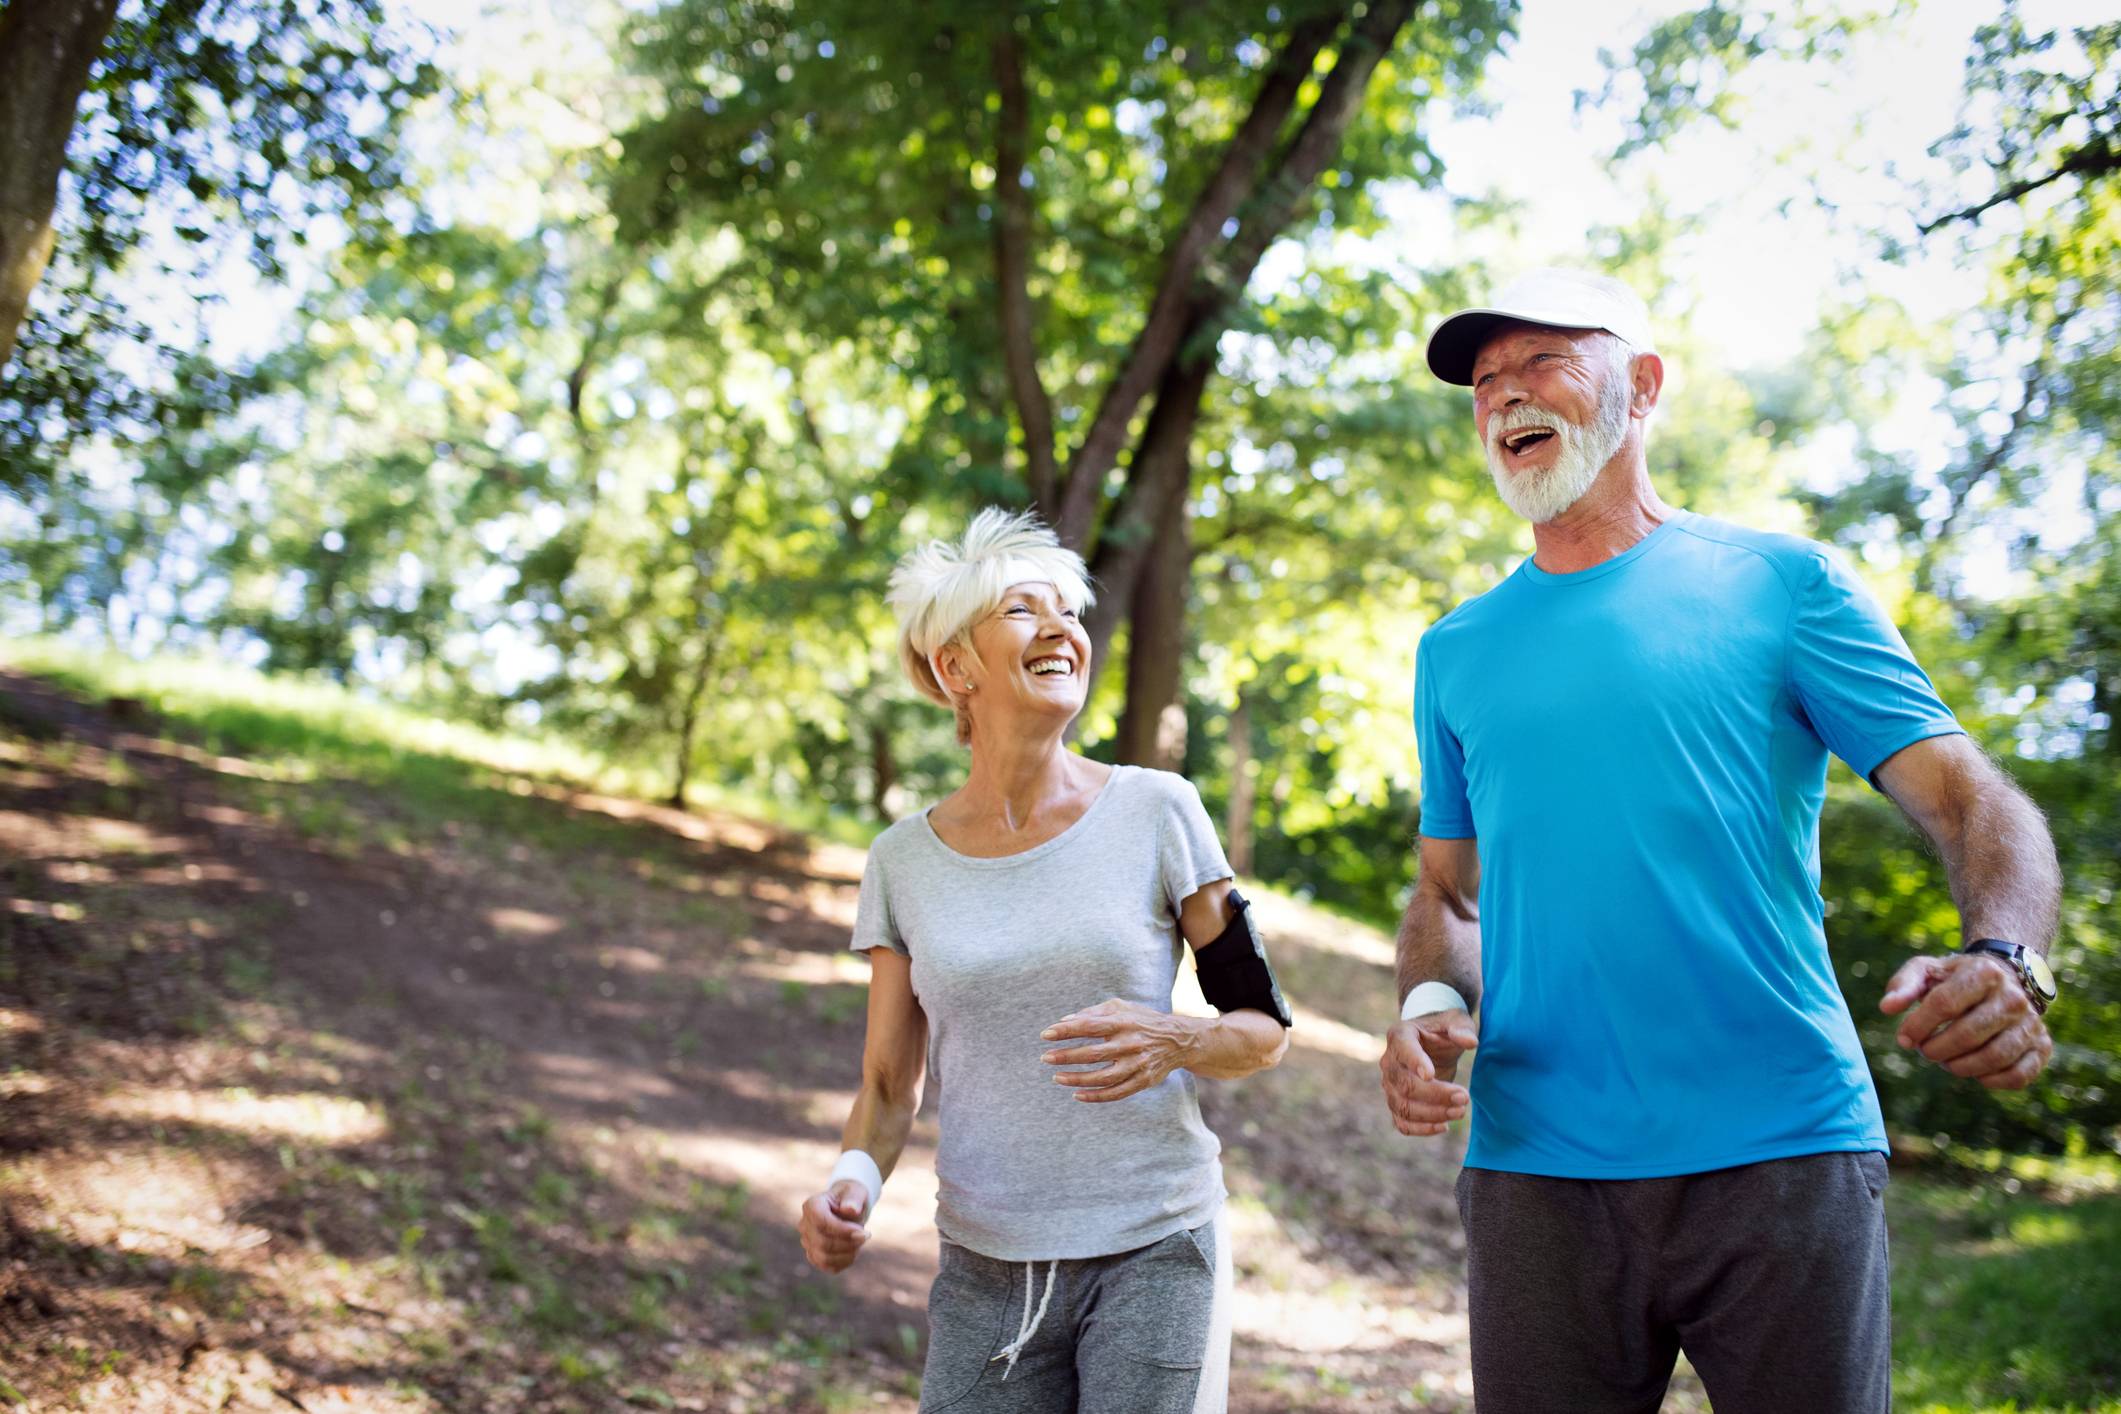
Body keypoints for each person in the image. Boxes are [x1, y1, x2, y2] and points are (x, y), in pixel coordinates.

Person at [1379, 268, 2063, 1413]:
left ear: (1642, 386)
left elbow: (1971, 800)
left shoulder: (1782, 585)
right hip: (1534, 1167)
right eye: (1485, 382)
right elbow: (1450, 897)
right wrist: (1420, 1014)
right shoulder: (1458, 648)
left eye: (1542, 362)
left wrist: (2007, 958)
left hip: (1781, 1148)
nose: (1503, 397)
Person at [797, 508, 1292, 1413]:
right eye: (1024, 611)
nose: (1063, 629)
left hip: (1154, 1241)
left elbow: (1263, 1029)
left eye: (1069, 612)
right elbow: (884, 1081)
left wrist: (1176, 1038)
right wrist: (850, 1183)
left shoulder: (1158, 810)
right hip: (984, 1259)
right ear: (956, 667)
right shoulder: (901, 861)